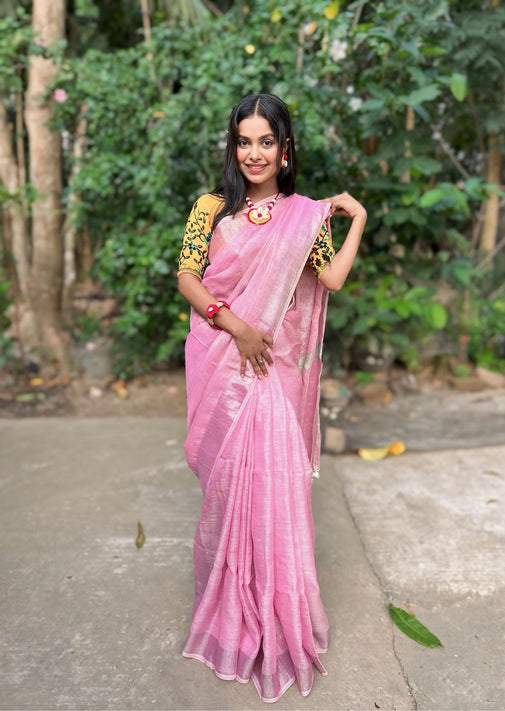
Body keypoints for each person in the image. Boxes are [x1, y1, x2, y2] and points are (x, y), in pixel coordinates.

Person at [177, 93, 366, 703]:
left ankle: (275, 617)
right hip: (230, 365)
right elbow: (187, 276)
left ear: (285, 151)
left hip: (274, 378)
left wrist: (355, 218)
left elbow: (331, 278)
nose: (254, 153)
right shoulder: (210, 208)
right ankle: (234, 611)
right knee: (232, 493)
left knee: (275, 494)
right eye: (244, 141)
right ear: (233, 147)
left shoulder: (304, 217)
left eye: (266, 142)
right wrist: (235, 325)